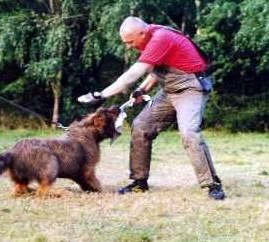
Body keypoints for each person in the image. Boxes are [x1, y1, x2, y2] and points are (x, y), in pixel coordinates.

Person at [78, 16, 225, 200]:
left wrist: (101, 95)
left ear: (142, 33)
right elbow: (157, 69)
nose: (128, 46)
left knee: (189, 132)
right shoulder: (151, 36)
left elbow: (132, 75)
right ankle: (139, 182)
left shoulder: (160, 38)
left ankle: (212, 184)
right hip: (169, 90)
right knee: (141, 126)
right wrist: (142, 90)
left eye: (130, 42)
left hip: (190, 88)